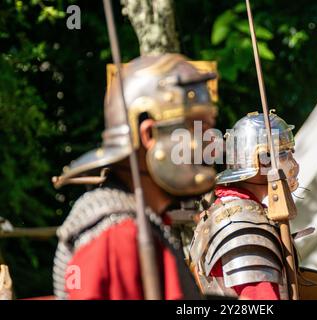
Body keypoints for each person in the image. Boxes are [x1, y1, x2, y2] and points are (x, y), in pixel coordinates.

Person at [52, 54, 218, 300]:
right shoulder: (118, 237)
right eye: (197, 128)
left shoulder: (141, 220)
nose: (210, 141)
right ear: (149, 134)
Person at [189, 111, 299, 300]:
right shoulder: (244, 229)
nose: (293, 163)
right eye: (284, 154)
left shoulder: (231, 211)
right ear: (261, 161)